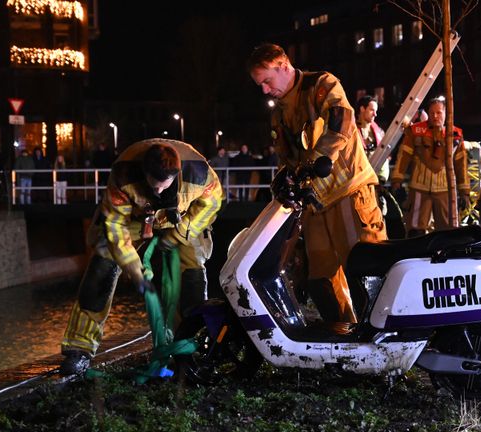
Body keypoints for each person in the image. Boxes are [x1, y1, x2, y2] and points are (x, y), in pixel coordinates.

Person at [247, 42, 386, 323]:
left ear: (284, 66)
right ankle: (343, 337)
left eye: (267, 81)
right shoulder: (279, 114)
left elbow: (341, 119)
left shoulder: (322, 84)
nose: (264, 90)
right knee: (320, 279)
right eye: (259, 84)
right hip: (316, 203)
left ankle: (385, 339)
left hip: (349, 191)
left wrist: (319, 160)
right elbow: (287, 158)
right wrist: (283, 180)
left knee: (366, 270)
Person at [59, 139, 223, 376]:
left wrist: (179, 234)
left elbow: (212, 203)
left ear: (175, 175)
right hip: (135, 219)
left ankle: (188, 344)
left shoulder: (198, 174)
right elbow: (115, 226)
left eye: (163, 186)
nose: (158, 191)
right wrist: (134, 270)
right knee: (102, 266)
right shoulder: (123, 174)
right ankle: (79, 349)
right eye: (153, 186)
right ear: (144, 173)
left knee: (192, 273)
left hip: (182, 218)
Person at [389, 97, 469, 237]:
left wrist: (464, 193)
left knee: (447, 231)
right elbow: (404, 156)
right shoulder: (415, 131)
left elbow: (461, 166)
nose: (435, 116)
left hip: (446, 190)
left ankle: (443, 258)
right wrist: (396, 181)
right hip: (419, 188)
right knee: (415, 230)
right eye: (432, 113)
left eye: (439, 112)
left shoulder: (455, 135)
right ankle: (416, 257)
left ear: (446, 112)